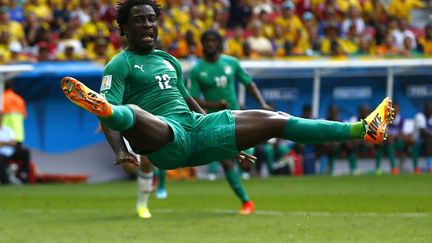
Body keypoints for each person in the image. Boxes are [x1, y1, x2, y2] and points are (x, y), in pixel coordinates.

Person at [60, 0, 394, 200]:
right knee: (126, 111)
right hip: (164, 142)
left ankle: (362, 129)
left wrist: (228, 144)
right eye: (139, 20)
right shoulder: (118, 64)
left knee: (275, 119)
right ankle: (104, 104)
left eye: (151, 19)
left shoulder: (169, 59)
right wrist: (121, 151)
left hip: (196, 127)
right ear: (124, 29)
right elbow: (106, 122)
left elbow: (187, 98)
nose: (148, 25)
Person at [186, 29, 274, 214]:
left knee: (246, 160)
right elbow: (191, 98)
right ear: (203, 44)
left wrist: (262, 103)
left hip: (237, 118)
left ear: (219, 43)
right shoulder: (196, 69)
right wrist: (214, 104)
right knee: (226, 162)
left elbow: (248, 83)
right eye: (207, 41)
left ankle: (247, 163)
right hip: (214, 122)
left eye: (213, 40)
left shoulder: (231, 63)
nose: (210, 44)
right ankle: (246, 202)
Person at [2, 80, 32, 183]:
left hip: (5, 137)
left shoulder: (2, 99)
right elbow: (23, 116)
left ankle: (6, 178)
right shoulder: (19, 99)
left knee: (5, 159)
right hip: (18, 136)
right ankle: (23, 176)